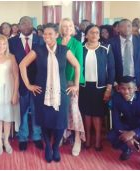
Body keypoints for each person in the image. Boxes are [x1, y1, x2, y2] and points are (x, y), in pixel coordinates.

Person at [19, 23, 80, 163]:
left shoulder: (64, 50)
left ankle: (55, 147)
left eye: (50, 34)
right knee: (44, 121)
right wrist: (28, 85)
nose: (47, 37)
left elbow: (77, 65)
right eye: (45, 34)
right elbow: (22, 64)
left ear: (56, 35)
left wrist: (76, 85)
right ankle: (48, 147)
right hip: (42, 92)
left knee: (60, 122)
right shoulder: (38, 50)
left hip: (61, 92)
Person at [9, 16, 44, 151]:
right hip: (20, 82)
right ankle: (22, 137)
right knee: (22, 111)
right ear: (19, 26)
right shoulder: (11, 42)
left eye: (29, 23)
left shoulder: (40, 40)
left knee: (36, 111)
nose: (26, 25)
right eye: (23, 23)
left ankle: (37, 136)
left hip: (37, 82)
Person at [79, 24, 115, 152]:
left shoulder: (106, 48)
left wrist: (109, 89)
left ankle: (98, 140)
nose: (94, 35)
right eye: (92, 32)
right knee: (86, 114)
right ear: (86, 34)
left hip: (100, 87)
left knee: (98, 115)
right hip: (84, 87)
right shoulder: (81, 48)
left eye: (97, 33)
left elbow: (111, 69)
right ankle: (88, 139)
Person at [0, 34, 20, 155]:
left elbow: (16, 76)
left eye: (4, 44)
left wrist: (15, 93)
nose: (1, 46)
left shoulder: (11, 57)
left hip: (8, 91)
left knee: (7, 117)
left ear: (7, 45)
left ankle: (6, 140)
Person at [57, 18, 85, 156]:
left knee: (74, 111)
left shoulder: (77, 44)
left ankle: (77, 139)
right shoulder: (55, 42)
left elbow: (79, 65)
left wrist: (76, 85)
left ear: (73, 28)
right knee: (60, 110)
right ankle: (62, 134)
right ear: (61, 28)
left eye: (69, 26)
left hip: (71, 83)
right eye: (64, 26)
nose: (67, 28)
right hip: (57, 82)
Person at [109, 19, 140, 93]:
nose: (126, 28)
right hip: (119, 82)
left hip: (138, 81)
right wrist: (114, 82)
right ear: (118, 28)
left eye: (129, 26)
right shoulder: (111, 42)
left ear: (132, 28)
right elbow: (110, 64)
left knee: (138, 103)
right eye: (123, 26)